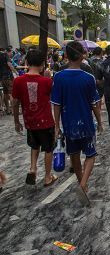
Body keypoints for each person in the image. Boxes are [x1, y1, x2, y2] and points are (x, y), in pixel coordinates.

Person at [51, 41, 103, 204]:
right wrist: (100, 121)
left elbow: (56, 104)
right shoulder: (88, 78)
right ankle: (83, 184)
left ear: (66, 55)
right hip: (86, 123)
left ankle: (81, 182)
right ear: (82, 56)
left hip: (69, 124)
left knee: (73, 155)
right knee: (91, 155)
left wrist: (56, 126)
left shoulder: (58, 77)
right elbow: (94, 104)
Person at [11, 50, 57, 187]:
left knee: (34, 145)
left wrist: (16, 121)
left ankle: (32, 168)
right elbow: (53, 100)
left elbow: (14, 103)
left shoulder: (18, 81)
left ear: (26, 63)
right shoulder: (47, 81)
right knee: (48, 149)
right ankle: (48, 177)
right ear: (43, 64)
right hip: (46, 121)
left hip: (29, 122)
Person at [0, 47, 18, 114]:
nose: (11, 54)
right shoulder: (5, 55)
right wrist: (16, 72)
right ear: (8, 52)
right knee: (11, 93)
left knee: (5, 93)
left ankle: (8, 110)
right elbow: (9, 64)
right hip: (8, 76)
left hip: (2, 78)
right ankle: (13, 110)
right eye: (11, 52)